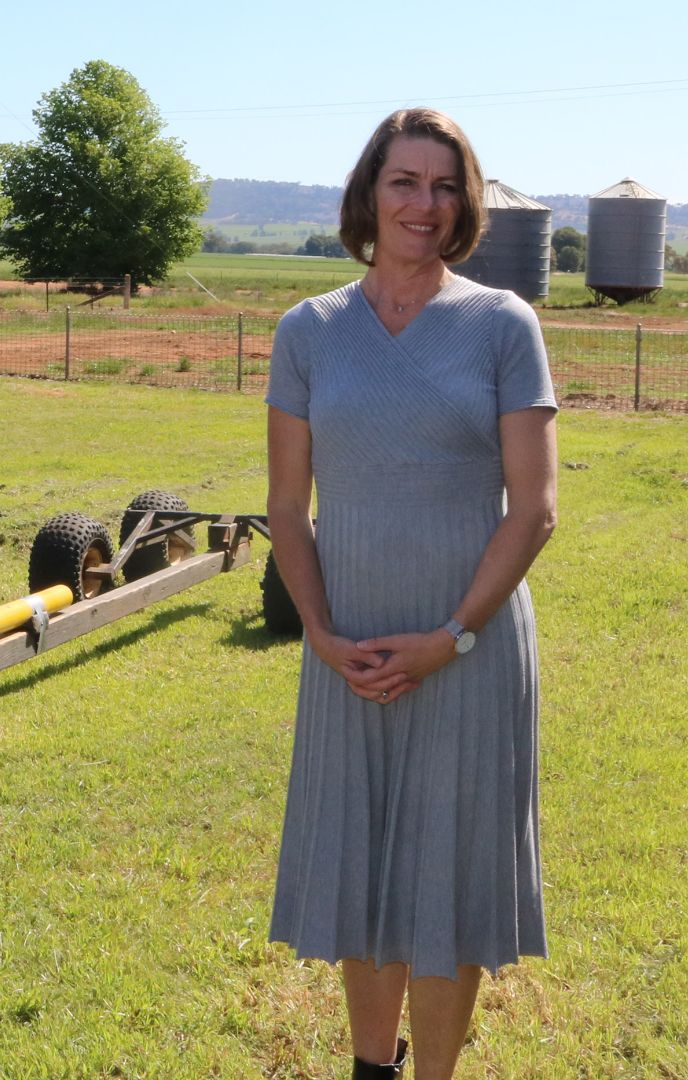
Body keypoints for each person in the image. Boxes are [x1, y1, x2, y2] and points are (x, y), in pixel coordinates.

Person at [265, 108, 558, 1080]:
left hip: (465, 655)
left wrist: (451, 636)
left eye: (444, 186)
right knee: (361, 862)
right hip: (346, 652)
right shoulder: (307, 332)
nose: (423, 204)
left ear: (464, 204)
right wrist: (317, 631)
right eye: (405, 182)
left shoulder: (504, 326)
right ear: (368, 193)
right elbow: (286, 504)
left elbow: (533, 509)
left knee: (450, 875)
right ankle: (369, 1066)